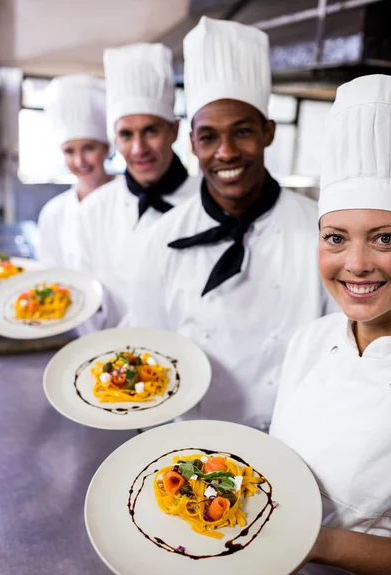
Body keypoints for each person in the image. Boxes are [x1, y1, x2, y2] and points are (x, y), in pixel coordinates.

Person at [124, 17, 331, 430]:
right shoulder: (159, 239)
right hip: (190, 445)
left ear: (268, 132)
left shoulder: (321, 235)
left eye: (243, 132)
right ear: (192, 143)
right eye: (209, 137)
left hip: (292, 440)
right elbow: (150, 356)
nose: (227, 152)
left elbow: (332, 359)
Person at [262, 74, 391, 575]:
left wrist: (316, 544)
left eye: (385, 238)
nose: (356, 265)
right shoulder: (312, 340)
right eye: (335, 238)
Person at [77, 43, 199, 327]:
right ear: (114, 139)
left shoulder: (210, 202)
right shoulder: (94, 209)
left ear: (175, 130)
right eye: (126, 135)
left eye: (151, 131)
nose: (138, 148)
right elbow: (85, 301)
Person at [37, 74, 112, 269]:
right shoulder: (53, 213)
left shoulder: (132, 200)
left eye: (88, 148)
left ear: (107, 148)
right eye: (69, 151)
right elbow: (49, 276)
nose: (79, 161)